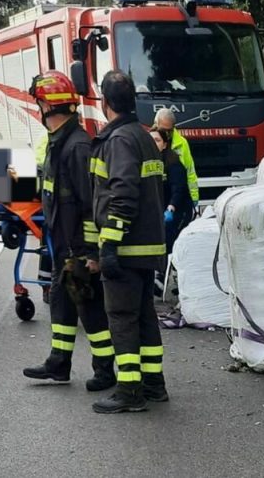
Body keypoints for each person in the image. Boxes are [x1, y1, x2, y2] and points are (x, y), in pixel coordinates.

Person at [22, 71, 115, 392]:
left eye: (39, 102)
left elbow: (91, 205)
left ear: (47, 105)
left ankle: (105, 370)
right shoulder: (58, 141)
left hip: (78, 247)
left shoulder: (77, 147)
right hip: (61, 244)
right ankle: (59, 363)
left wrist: (90, 252)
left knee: (89, 308)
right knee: (61, 301)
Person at [91, 70, 169, 413]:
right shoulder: (143, 137)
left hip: (126, 246)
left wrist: (109, 243)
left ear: (105, 102)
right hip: (148, 246)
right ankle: (154, 384)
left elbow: (122, 195)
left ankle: (129, 390)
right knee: (145, 317)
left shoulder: (119, 140)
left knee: (122, 318)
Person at [151, 126, 193, 254]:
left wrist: (171, 207)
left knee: (171, 245)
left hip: (177, 211)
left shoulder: (173, 164)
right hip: (159, 212)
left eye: (157, 140)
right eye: (150, 140)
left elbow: (178, 188)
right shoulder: (146, 163)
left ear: (165, 145)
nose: (153, 143)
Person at [153, 108, 199, 210]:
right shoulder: (148, 140)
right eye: (163, 130)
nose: (167, 134)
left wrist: (194, 196)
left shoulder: (181, 143)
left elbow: (190, 171)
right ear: (156, 124)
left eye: (169, 130)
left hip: (177, 197)